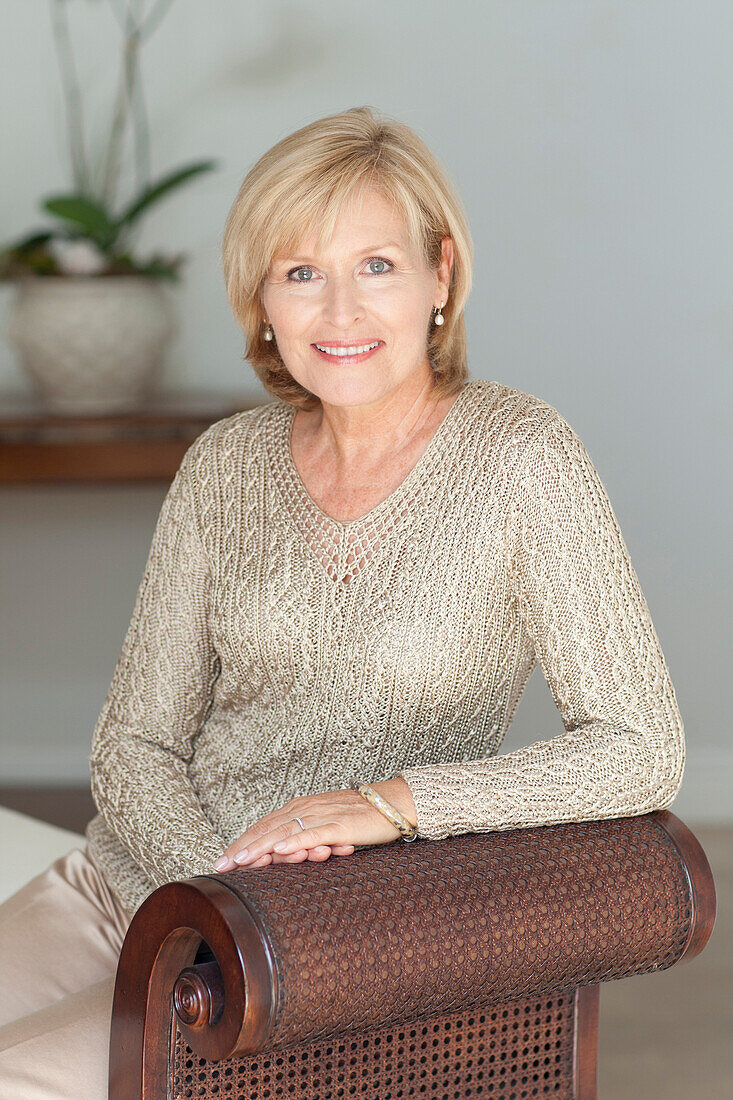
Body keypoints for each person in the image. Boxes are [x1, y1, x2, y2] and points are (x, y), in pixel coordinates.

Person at [0, 105, 685, 1096]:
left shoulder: (524, 460)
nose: (339, 313)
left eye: (376, 265)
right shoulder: (223, 465)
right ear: (261, 301)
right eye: (300, 272)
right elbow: (134, 741)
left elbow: (640, 742)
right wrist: (214, 896)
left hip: (325, 946)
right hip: (141, 884)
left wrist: (390, 804)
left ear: (439, 274)